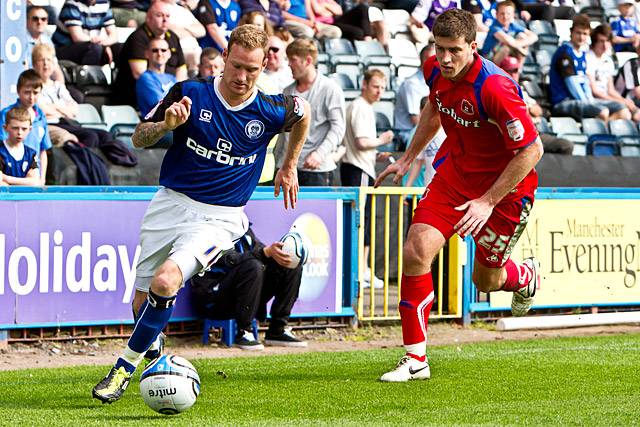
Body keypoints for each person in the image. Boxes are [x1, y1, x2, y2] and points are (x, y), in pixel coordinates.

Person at [91, 24, 310, 404]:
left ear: (263, 68)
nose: (242, 77)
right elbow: (139, 137)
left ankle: (122, 369)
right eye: (237, 66)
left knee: (165, 282)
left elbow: (303, 114)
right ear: (223, 57)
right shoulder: (190, 93)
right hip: (170, 203)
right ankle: (157, 369)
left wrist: (289, 165)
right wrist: (166, 126)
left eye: (252, 70)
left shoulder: (272, 108)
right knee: (142, 301)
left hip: (220, 217)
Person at [375, 9, 543, 382]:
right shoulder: (434, 68)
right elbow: (435, 107)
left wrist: (488, 201)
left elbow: (532, 151)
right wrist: (407, 158)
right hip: (455, 176)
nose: (446, 58)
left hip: (506, 189)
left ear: (473, 46)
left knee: (486, 281)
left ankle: (524, 275)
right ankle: (415, 359)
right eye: (439, 48)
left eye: (454, 50)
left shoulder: (496, 87)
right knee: (415, 250)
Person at [190, 226, 307, 350]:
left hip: (245, 297)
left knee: (289, 264)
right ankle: (243, 332)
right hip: (213, 299)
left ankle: (277, 330)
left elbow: (261, 251)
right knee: (253, 266)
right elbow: (231, 260)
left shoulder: (242, 227)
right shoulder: (209, 230)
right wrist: (265, 252)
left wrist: (277, 254)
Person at [341, 69, 394, 289]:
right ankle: (359, 270)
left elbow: (363, 145)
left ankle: (362, 268)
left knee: (363, 220)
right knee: (361, 220)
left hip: (360, 166)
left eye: (382, 87)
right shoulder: (360, 106)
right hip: (358, 169)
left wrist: (376, 152)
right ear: (364, 84)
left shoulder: (363, 107)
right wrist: (382, 140)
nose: (380, 91)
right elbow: (362, 142)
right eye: (376, 86)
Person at [276, 38, 345, 186]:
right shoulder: (288, 91)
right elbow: (283, 132)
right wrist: (278, 161)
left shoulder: (330, 89)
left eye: (293, 60)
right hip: (287, 167)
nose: (289, 64)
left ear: (307, 61)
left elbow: (338, 127)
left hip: (317, 169)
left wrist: (320, 154)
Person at [549, 14, 631, 122]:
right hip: (564, 101)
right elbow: (572, 84)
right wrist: (588, 103)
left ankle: (603, 130)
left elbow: (585, 81)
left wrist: (590, 100)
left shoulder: (581, 54)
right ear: (571, 32)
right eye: (578, 33)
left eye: (585, 34)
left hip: (582, 100)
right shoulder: (565, 53)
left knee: (622, 109)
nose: (581, 37)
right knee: (602, 111)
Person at [113, 1, 188, 107]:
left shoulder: (173, 37)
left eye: (167, 16)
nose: (164, 19)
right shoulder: (138, 37)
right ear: (148, 17)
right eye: (159, 15)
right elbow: (139, 73)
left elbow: (181, 69)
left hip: (168, 95)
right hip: (137, 101)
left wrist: (176, 92)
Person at [499, 56, 574, 155]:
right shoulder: (498, 91)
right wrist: (528, 109)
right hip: (517, 136)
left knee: (566, 145)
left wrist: (528, 108)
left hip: (534, 133)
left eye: (516, 70)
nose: (513, 74)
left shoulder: (520, 90)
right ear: (502, 72)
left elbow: (538, 110)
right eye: (509, 71)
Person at [0, 70, 52, 185]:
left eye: (35, 92)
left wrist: (42, 178)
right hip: (9, 175)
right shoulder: (6, 114)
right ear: (18, 91)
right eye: (27, 92)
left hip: (31, 174)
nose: (31, 97)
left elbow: (43, 150)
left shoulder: (41, 116)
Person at [587, 24, 639, 121]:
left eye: (607, 41)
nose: (605, 45)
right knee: (625, 113)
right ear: (594, 42)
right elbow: (595, 91)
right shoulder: (588, 58)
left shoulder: (608, 60)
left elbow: (611, 90)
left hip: (606, 98)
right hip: (594, 99)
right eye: (601, 41)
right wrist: (620, 101)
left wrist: (624, 100)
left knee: (635, 112)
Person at [52, 0, 121, 65]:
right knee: (95, 49)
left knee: (119, 48)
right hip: (64, 48)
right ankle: (88, 77)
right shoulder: (72, 3)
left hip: (93, 44)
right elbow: (78, 37)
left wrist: (104, 44)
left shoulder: (104, 3)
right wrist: (102, 46)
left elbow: (114, 36)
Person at [480, 0, 537, 68]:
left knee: (522, 36)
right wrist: (523, 51)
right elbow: (510, 42)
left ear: (513, 15)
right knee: (506, 47)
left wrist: (521, 45)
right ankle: (496, 73)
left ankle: (517, 72)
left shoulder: (512, 25)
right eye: (502, 13)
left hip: (510, 51)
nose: (505, 17)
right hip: (488, 60)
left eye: (508, 14)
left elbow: (534, 36)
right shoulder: (494, 27)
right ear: (496, 14)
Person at [136, 38, 178, 117]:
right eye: (155, 50)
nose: (159, 53)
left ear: (169, 53)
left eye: (163, 50)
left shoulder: (172, 78)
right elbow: (161, 105)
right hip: (156, 125)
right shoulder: (145, 78)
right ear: (147, 53)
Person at [0, 107, 41, 187]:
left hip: (26, 199)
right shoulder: (1, 151)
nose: (19, 132)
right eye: (15, 128)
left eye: (24, 129)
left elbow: (35, 182)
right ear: (5, 128)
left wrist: (7, 179)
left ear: (30, 129)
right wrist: (25, 181)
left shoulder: (31, 153)